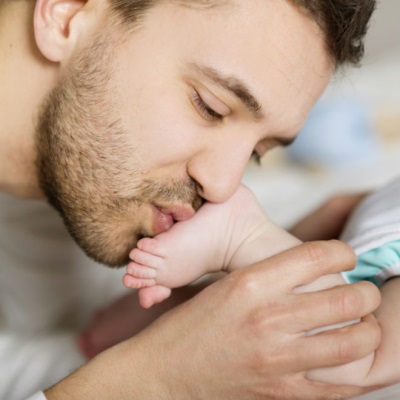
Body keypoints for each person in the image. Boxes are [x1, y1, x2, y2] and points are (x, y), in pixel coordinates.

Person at [0, 0, 382, 399]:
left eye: (257, 153)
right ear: (66, 14)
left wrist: (207, 308)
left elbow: (18, 363)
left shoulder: (78, 173)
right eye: (210, 107)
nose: (223, 186)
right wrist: (158, 381)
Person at [88, 179, 399, 388]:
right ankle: (243, 236)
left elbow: (339, 207)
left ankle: (119, 329)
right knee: (357, 361)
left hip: (379, 209)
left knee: (254, 288)